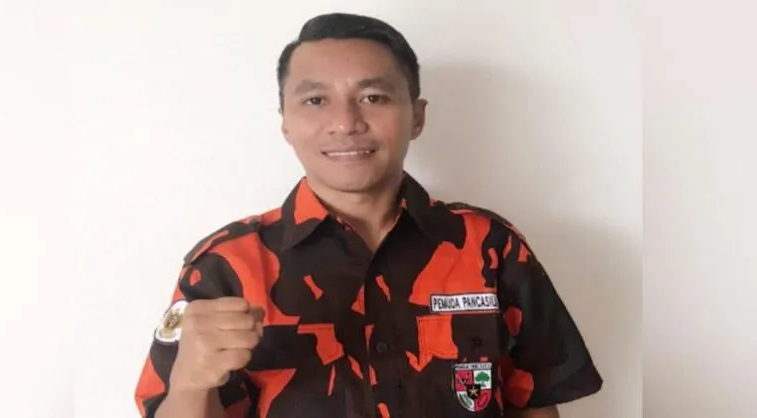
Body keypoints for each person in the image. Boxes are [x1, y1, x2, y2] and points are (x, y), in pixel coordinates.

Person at [134, 12, 603, 418]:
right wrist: (190, 385)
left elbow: (535, 402)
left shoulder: (490, 245)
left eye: (373, 97)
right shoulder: (227, 265)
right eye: (316, 100)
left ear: (417, 116)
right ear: (285, 122)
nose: (346, 122)